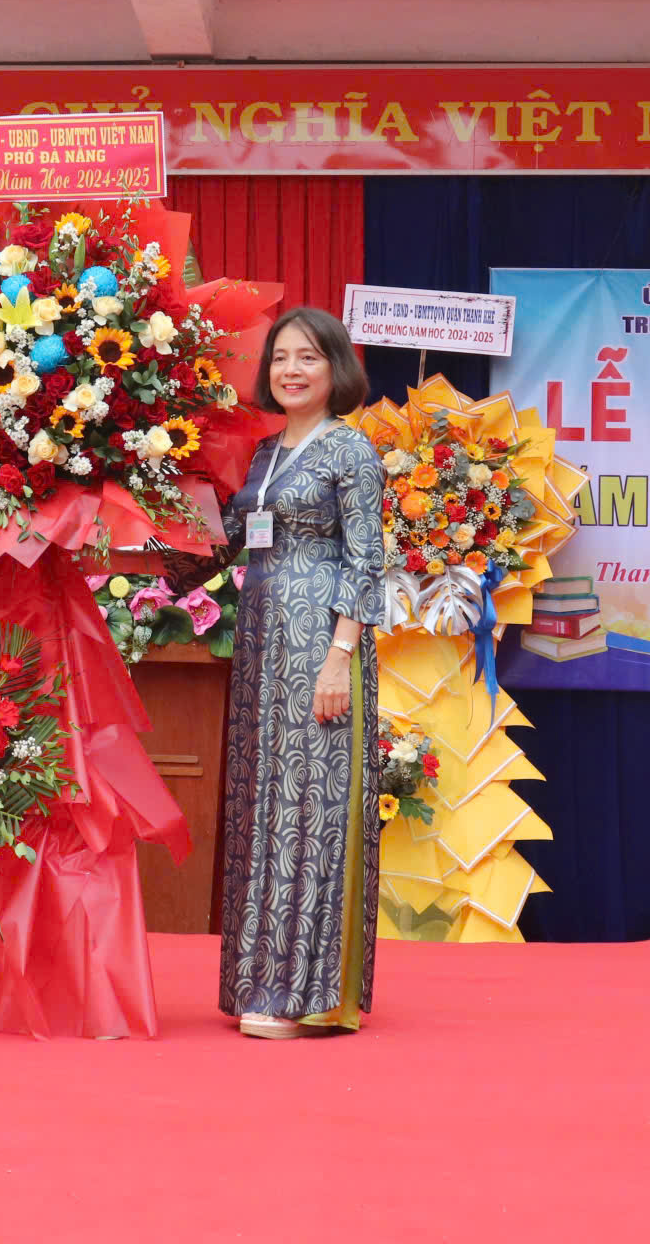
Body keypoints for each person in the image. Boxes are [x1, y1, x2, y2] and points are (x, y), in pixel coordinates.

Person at [212, 307, 385, 1038]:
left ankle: (307, 994)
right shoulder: (263, 455)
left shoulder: (351, 451)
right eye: (280, 357)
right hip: (259, 648)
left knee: (310, 808)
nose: (291, 369)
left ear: (335, 368)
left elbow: (367, 560)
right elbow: (226, 543)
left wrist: (339, 658)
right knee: (261, 806)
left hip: (320, 646)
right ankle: (260, 978)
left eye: (308, 357)